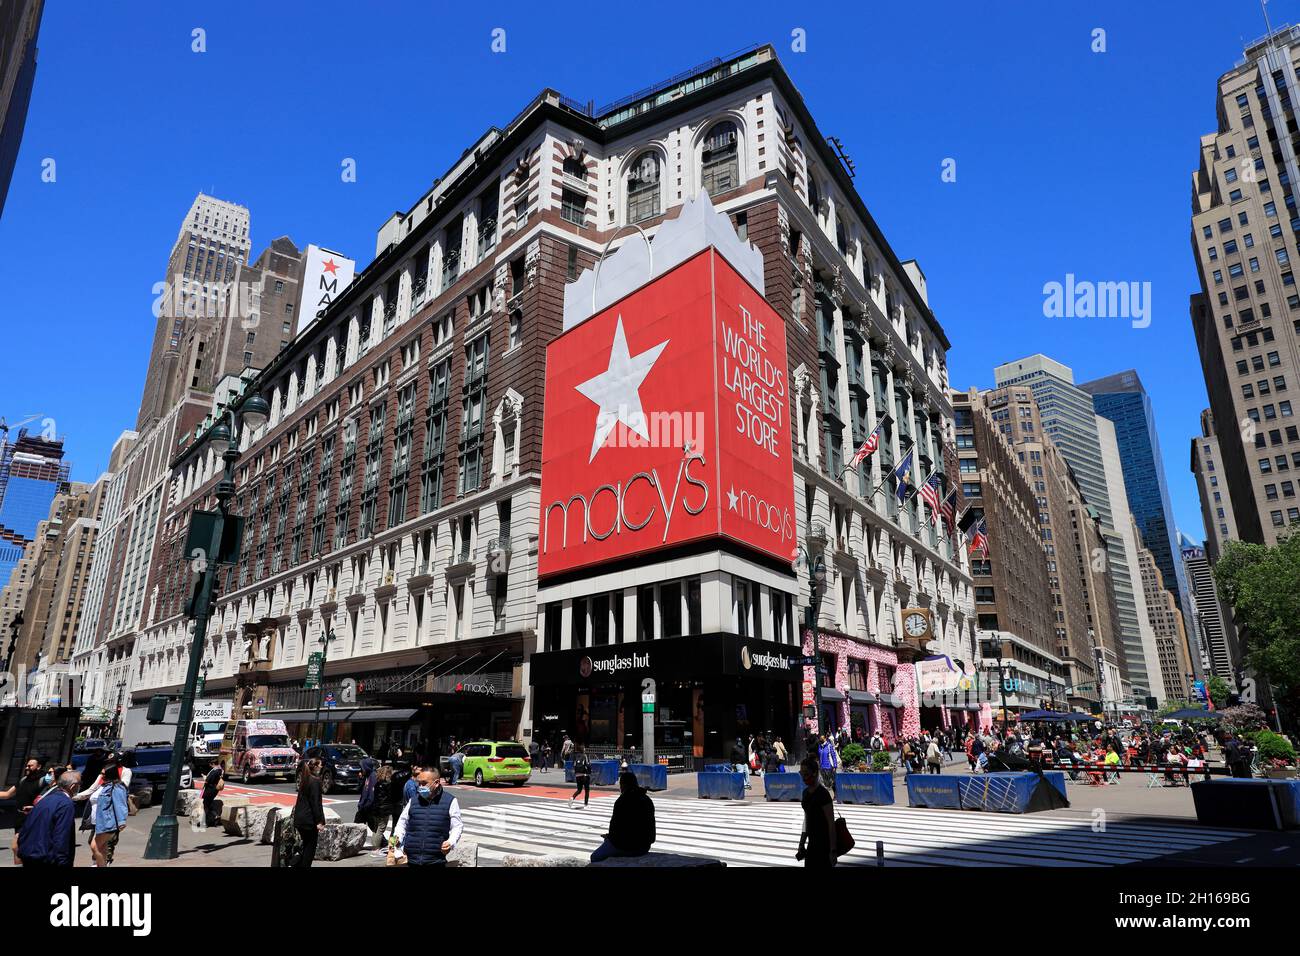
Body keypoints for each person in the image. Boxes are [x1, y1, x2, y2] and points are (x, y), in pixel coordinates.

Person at [394, 768, 462, 866]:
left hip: (436, 860)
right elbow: (402, 823)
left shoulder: (450, 801)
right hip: (411, 860)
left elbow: (457, 826)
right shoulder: (413, 801)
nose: (420, 787)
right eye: (419, 783)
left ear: (437, 783)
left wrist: (450, 842)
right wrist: (397, 838)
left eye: (424, 783)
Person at [16, 770, 79, 867]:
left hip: (29, 854)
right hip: (46, 859)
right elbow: (62, 836)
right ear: (73, 786)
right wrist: (63, 862)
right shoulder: (66, 804)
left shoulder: (45, 799)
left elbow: (26, 827)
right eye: (80, 783)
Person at [591, 772, 656, 863]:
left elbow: (615, 828)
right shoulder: (647, 800)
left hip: (625, 846)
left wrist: (609, 838)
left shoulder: (622, 801)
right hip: (644, 847)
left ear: (623, 785)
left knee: (595, 857)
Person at [2, 757, 46, 864]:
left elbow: (47, 801)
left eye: (30, 766)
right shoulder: (23, 780)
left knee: (16, 846)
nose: (27, 768)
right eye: (27, 765)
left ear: (38, 767)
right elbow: (7, 794)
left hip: (33, 819)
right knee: (19, 848)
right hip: (20, 819)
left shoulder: (43, 782)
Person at [796, 756, 836, 868]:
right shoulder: (805, 793)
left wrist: (833, 850)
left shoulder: (823, 794)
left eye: (806, 773)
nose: (804, 777)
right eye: (801, 773)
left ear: (814, 773)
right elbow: (807, 819)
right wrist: (801, 843)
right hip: (812, 844)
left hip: (824, 844)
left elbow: (831, 823)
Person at [90, 763, 129, 867]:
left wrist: (122, 822)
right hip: (101, 823)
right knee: (102, 847)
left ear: (110, 774)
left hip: (109, 823)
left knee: (95, 846)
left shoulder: (117, 787)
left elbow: (120, 805)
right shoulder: (105, 786)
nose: (101, 775)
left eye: (103, 774)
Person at [293, 757, 326, 868]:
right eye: (320, 765)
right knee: (310, 849)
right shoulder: (315, 781)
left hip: (300, 819)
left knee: (305, 845)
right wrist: (319, 821)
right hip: (309, 820)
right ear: (315, 766)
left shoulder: (305, 779)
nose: (321, 767)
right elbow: (316, 804)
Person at [370, 765, 396, 837]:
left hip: (376, 807)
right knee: (381, 829)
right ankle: (376, 847)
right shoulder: (389, 784)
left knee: (376, 828)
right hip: (384, 809)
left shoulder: (377, 783)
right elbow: (391, 796)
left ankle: (375, 846)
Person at [201, 762, 224, 828]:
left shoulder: (214, 771)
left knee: (206, 805)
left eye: (210, 764)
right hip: (214, 790)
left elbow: (207, 780)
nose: (210, 766)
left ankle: (206, 822)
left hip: (209, 790)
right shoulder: (220, 770)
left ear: (213, 764)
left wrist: (204, 777)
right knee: (209, 803)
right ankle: (215, 815)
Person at [570, 744, 592, 809]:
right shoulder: (584, 756)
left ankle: (572, 797)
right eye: (584, 748)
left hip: (577, 775)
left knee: (579, 790)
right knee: (587, 790)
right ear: (583, 750)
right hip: (584, 775)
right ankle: (586, 804)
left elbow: (573, 765)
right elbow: (587, 765)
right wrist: (589, 771)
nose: (585, 749)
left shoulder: (576, 756)